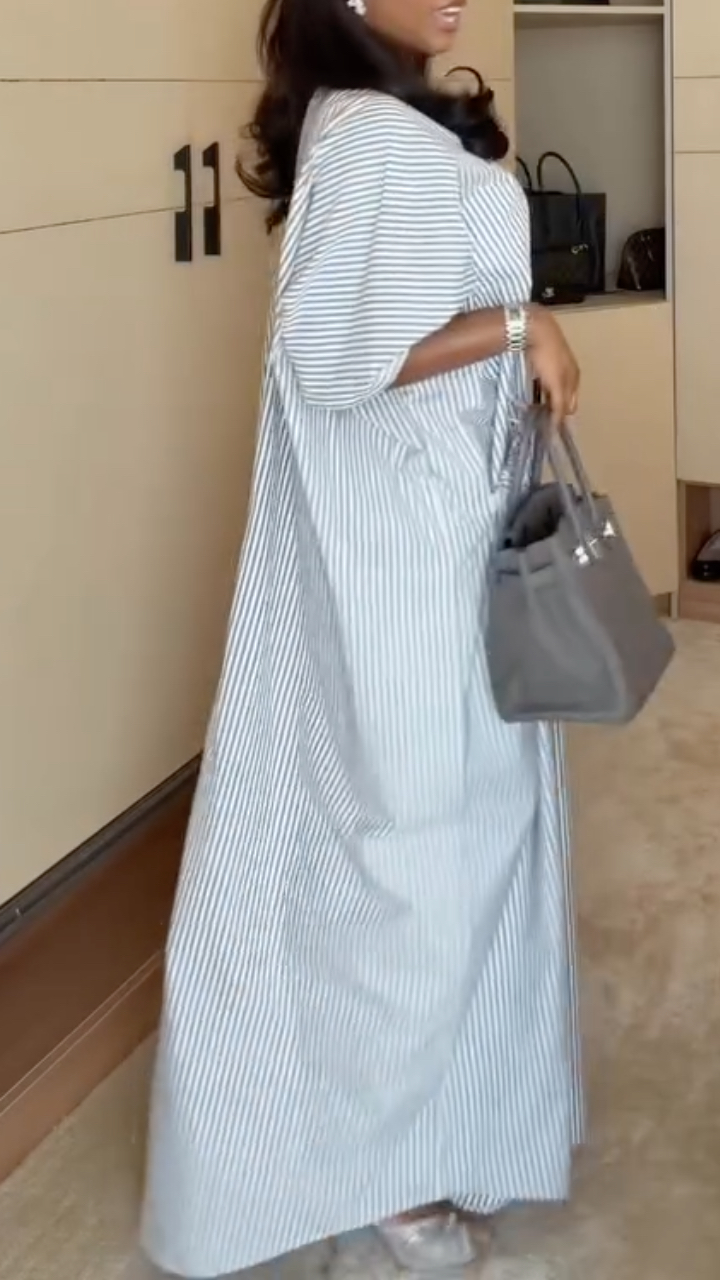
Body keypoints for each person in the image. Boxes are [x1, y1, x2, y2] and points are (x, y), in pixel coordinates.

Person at [138, 0, 584, 1276]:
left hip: (440, 520)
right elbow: (336, 357)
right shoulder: (372, 133)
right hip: (404, 546)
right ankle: (380, 1167)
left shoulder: (394, 121)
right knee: (419, 848)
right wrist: (523, 327)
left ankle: (433, 1129)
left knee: (454, 836)